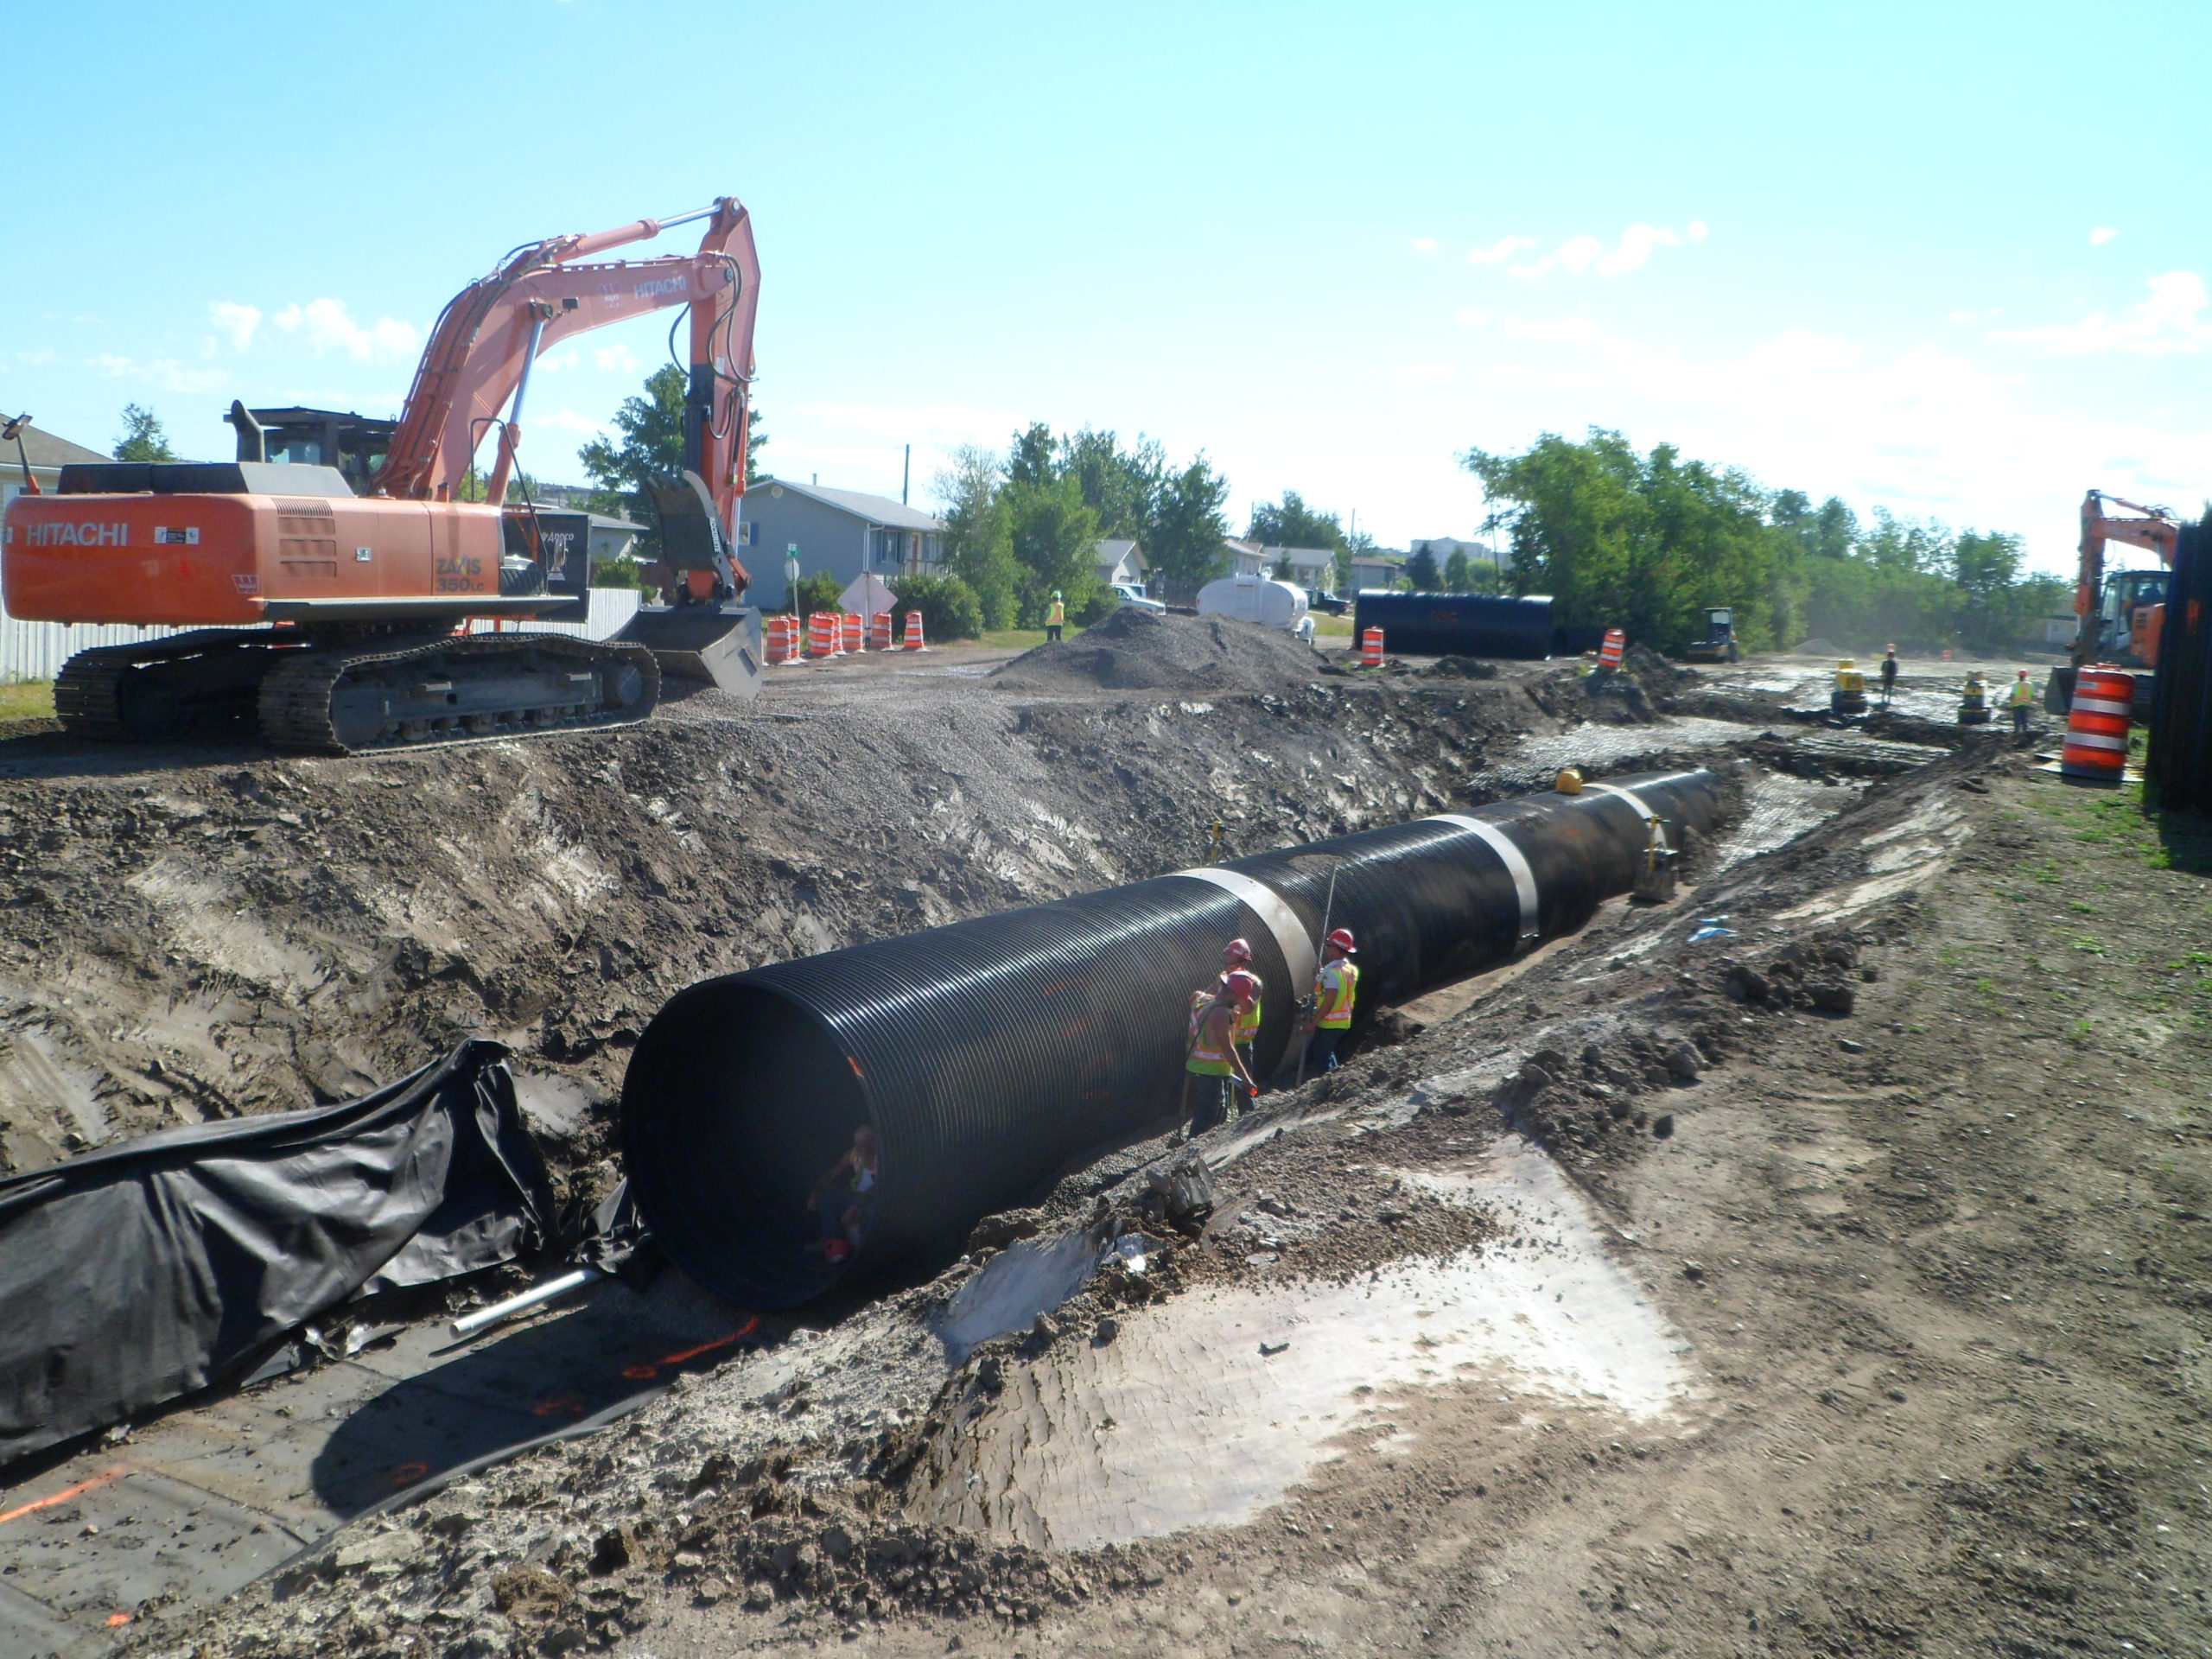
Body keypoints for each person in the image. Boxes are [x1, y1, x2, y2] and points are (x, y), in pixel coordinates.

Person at [1185, 969, 1260, 1139]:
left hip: (1200, 1066)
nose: (1242, 1003)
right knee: (1207, 1118)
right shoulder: (1220, 1013)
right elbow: (1228, 1049)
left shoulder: (1202, 1001)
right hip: (1210, 1071)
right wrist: (1246, 1079)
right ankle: (1190, 1157)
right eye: (1241, 998)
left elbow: (1196, 995)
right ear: (1233, 995)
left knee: (1218, 1113)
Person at [805, 1123, 879, 1263]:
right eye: (856, 1144)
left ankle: (860, 1252)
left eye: (863, 1145)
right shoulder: (854, 1154)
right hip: (857, 1197)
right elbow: (831, 1174)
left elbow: (878, 1187)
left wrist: (853, 1208)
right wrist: (815, 1193)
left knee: (868, 1213)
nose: (859, 1149)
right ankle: (831, 1241)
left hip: (874, 1201)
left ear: (873, 1143)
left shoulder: (880, 1158)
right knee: (828, 1196)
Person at [1304, 927, 1359, 1074]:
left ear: (1337, 949)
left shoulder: (1332, 974)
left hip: (1330, 1023)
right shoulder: (1350, 970)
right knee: (1327, 1052)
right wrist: (1321, 975)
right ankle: (1335, 1078)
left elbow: (1329, 1001)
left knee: (1322, 1059)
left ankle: (1326, 1091)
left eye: (1329, 945)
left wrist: (1313, 1023)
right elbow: (1336, 984)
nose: (1326, 948)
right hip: (1342, 1021)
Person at [1219, 938, 1262, 1080]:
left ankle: (1245, 1102)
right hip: (1225, 1040)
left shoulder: (1254, 983)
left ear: (1243, 962)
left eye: (1232, 963)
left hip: (1242, 1043)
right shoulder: (1224, 980)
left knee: (1244, 1084)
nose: (1229, 966)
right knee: (1223, 1083)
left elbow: (1249, 1008)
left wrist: (1240, 990)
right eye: (1227, 962)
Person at [2008, 669, 2037, 736]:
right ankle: (2025, 731)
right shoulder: (2030, 685)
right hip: (2026, 703)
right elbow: (2032, 695)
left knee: (2017, 718)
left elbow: (2012, 695)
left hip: (2016, 704)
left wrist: (2011, 702)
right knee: (2024, 718)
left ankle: (2016, 731)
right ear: (2026, 676)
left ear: (2019, 676)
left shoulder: (2016, 685)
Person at [1879, 645, 1898, 709]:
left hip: (1890, 676)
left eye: (1891, 656)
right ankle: (1884, 699)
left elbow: (1895, 670)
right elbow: (1882, 669)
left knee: (1889, 688)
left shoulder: (1892, 662)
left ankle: (1887, 699)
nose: (1890, 657)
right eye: (1890, 656)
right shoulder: (1887, 662)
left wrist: (1894, 675)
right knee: (1885, 688)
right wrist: (1883, 675)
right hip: (1887, 676)